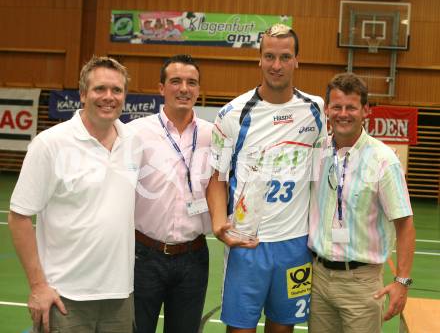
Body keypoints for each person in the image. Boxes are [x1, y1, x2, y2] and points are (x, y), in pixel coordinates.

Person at [207, 24, 327, 333]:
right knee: (240, 329)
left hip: (295, 245)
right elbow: (217, 178)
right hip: (247, 244)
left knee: (283, 329)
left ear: (297, 60)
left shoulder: (316, 110)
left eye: (285, 57)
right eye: (269, 56)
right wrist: (220, 224)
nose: (276, 65)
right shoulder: (233, 114)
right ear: (259, 60)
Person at [8, 56, 139, 333]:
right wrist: (38, 286)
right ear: (82, 94)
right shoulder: (50, 144)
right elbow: (19, 217)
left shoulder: (133, 142)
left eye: (117, 90)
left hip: (119, 297)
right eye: (99, 89)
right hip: (65, 297)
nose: (109, 97)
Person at [308, 72, 415, 333]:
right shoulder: (316, 152)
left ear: (366, 110)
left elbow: (405, 224)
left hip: (362, 283)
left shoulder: (384, 160)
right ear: (328, 110)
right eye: (337, 107)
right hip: (318, 279)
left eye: (351, 107)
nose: (343, 114)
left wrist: (401, 281)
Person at [129, 54, 212, 333]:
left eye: (192, 82)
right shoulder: (134, 134)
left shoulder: (213, 136)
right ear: (161, 88)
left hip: (194, 256)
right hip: (143, 256)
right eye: (175, 81)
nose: (184, 89)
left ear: (199, 90)